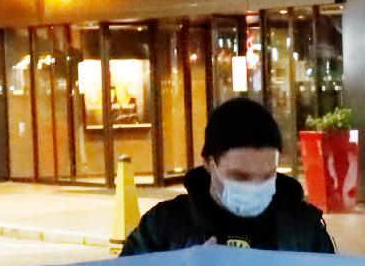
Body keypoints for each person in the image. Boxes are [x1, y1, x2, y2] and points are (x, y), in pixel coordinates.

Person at [122, 96, 336, 254]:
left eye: (267, 176)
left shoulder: (304, 228)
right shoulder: (163, 226)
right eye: (240, 177)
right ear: (208, 163)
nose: (255, 187)